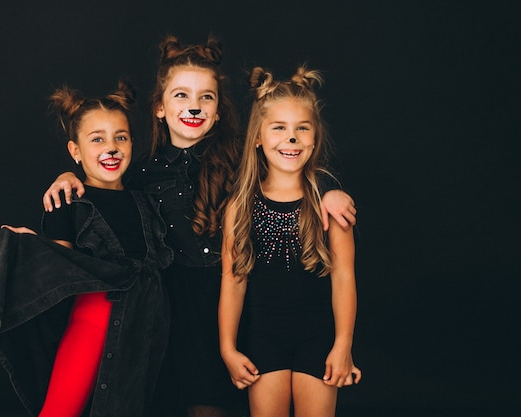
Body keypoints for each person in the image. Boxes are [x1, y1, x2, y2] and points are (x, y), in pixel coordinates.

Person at [42, 36, 356, 417]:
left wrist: (328, 190)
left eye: (206, 97)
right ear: (159, 108)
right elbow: (102, 190)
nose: (194, 106)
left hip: (244, 301)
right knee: (182, 400)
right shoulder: (140, 172)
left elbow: (287, 166)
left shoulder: (240, 161)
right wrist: (66, 175)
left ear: (219, 111)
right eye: (181, 96)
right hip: (176, 307)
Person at [0, 80, 173, 417]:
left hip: (147, 323)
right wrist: (30, 245)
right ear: (75, 151)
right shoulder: (69, 201)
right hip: (93, 321)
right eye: (97, 139)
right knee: (62, 409)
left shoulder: (146, 197)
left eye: (120, 137)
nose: (111, 148)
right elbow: (58, 273)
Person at [218, 66, 362, 417]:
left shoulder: (329, 204)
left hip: (318, 336)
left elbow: (343, 276)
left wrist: (343, 345)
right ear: (258, 137)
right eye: (279, 128)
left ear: (315, 137)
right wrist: (228, 348)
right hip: (262, 335)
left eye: (302, 128)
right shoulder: (241, 206)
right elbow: (233, 278)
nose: (292, 138)